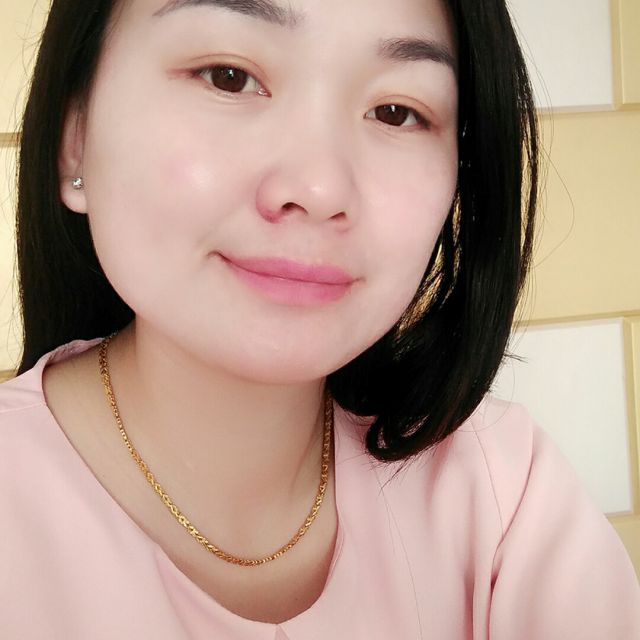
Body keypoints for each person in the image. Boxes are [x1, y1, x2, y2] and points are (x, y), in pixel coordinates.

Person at [1, 0, 639, 637]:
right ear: (74, 138)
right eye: (229, 77)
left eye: (396, 112)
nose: (318, 188)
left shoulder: (501, 491)